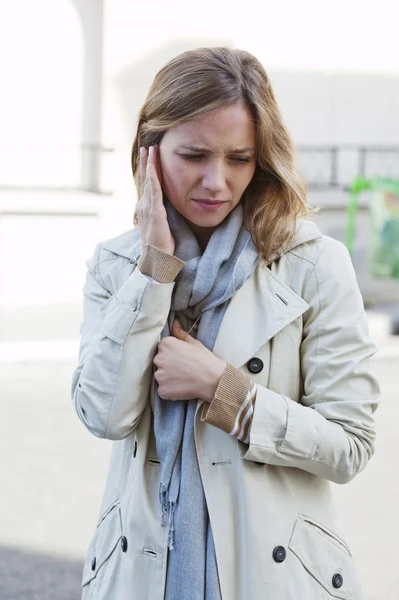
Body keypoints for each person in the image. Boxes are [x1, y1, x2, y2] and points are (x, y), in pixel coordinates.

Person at [71, 46, 380, 600]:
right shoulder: (118, 266)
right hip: (144, 574)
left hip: (274, 577)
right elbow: (103, 414)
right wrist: (155, 269)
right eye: (195, 154)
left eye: (239, 158)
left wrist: (226, 390)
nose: (217, 181)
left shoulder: (312, 264)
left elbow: (349, 444)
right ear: (150, 150)